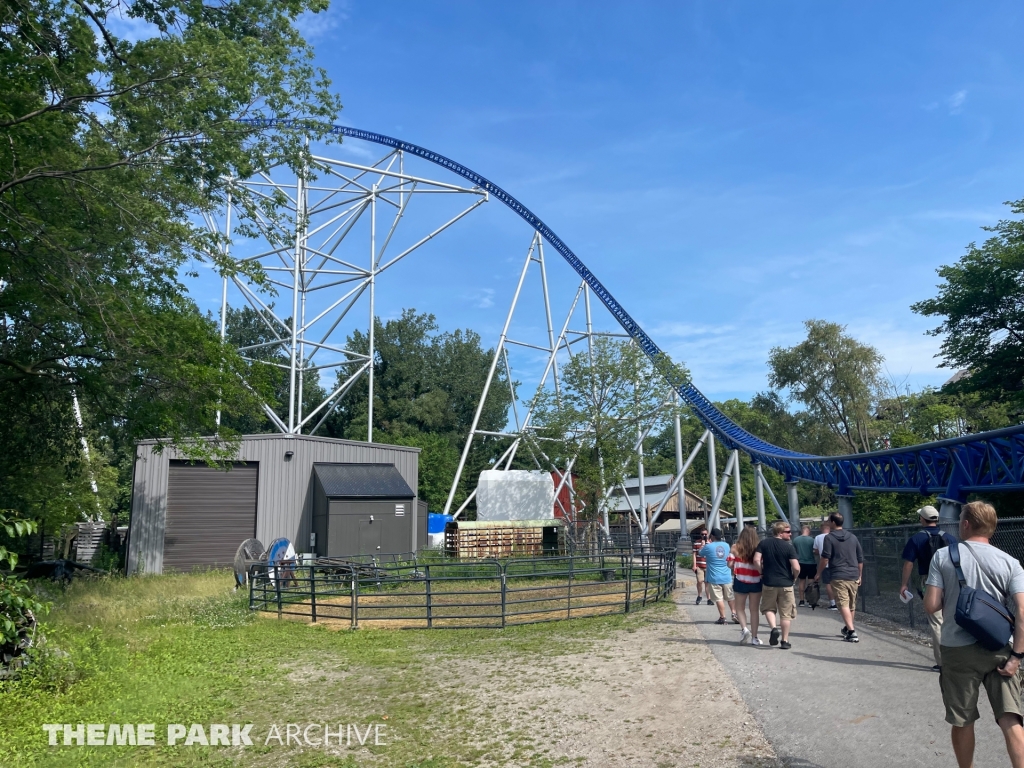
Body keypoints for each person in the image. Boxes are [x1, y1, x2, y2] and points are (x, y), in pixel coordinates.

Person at [924, 501, 1024, 768]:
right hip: (1001, 649)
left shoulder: (943, 557)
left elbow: (932, 605)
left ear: (966, 524)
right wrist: (1016, 657)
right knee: (1010, 718)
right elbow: (1023, 612)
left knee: (963, 719)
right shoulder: (1010, 562)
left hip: (957, 650)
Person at [900, 504, 957, 671]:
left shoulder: (916, 539)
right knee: (951, 619)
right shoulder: (950, 538)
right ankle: (957, 658)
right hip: (951, 580)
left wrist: (904, 584)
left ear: (922, 519)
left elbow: (908, 564)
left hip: (929, 581)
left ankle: (943, 663)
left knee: (936, 621)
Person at [817, 512, 864, 643]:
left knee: (843, 603)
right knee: (851, 604)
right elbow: (860, 558)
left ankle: (852, 632)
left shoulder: (829, 538)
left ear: (833, 522)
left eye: (828, 520)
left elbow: (825, 558)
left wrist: (818, 573)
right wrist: (860, 575)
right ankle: (849, 628)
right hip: (853, 574)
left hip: (838, 574)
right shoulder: (852, 537)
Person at [754, 520, 799, 649]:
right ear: (780, 532)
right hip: (786, 583)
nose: (790, 534)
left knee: (768, 608)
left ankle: (774, 628)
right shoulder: (789, 547)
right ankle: (784, 641)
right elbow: (796, 567)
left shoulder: (763, 543)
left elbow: (756, 560)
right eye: (788, 532)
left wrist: (761, 572)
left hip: (769, 582)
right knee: (786, 614)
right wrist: (794, 577)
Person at [728, 525, 763, 646]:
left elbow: (729, 564)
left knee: (740, 608)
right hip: (756, 581)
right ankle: (755, 637)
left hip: (740, 580)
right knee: (754, 610)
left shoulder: (735, 547)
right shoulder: (759, 548)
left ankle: (744, 629)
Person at [700, 528, 738, 625]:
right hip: (727, 575)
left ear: (712, 536)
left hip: (714, 577)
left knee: (719, 598)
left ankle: (723, 617)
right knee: (730, 597)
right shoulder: (726, 545)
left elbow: (700, 553)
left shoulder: (709, 546)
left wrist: (703, 545)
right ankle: (734, 613)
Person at [813, 521, 837, 610]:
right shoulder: (834, 536)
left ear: (821, 528)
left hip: (825, 564)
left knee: (828, 583)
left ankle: (833, 603)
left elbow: (816, 550)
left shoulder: (818, 537)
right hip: (836, 563)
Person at [793, 525, 817, 606]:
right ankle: (810, 601)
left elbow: (794, 551)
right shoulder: (812, 540)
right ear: (809, 531)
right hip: (811, 563)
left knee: (801, 581)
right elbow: (815, 551)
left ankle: (801, 600)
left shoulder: (796, 540)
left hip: (800, 562)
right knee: (810, 582)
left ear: (801, 531)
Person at [691, 527, 711, 605]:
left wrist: (707, 544)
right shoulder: (697, 543)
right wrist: (694, 565)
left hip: (708, 565)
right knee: (700, 581)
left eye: (705, 534)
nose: (704, 536)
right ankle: (699, 595)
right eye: (702, 534)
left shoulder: (711, 543)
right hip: (699, 565)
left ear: (708, 534)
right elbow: (694, 554)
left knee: (707, 583)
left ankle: (709, 598)